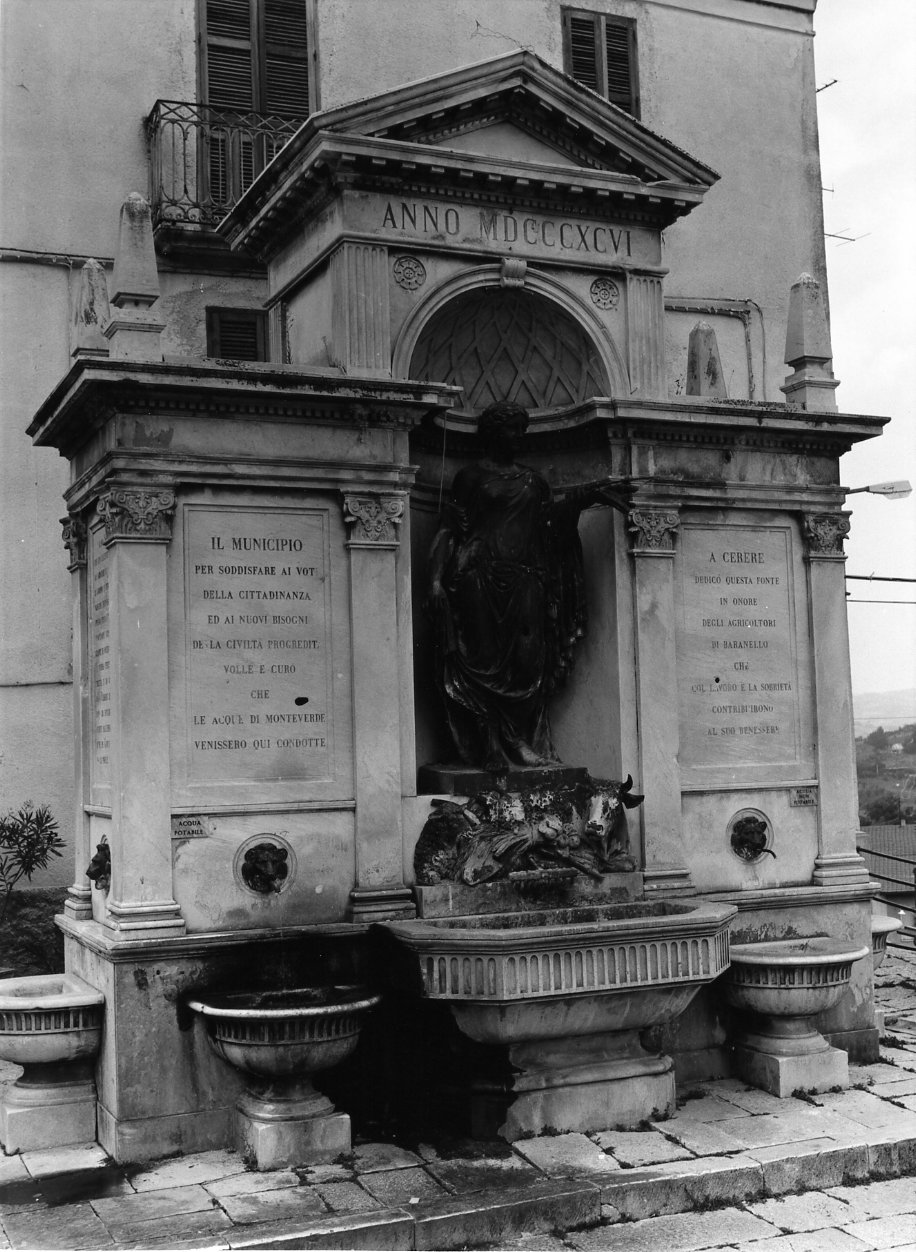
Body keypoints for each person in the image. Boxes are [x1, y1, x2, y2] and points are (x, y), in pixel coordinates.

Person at [427, 401, 627, 770]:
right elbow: (449, 530)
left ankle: (517, 741)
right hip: (477, 579)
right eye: (510, 429)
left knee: (528, 661)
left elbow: (551, 525)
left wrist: (590, 495)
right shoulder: (470, 478)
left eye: (521, 430)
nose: (517, 437)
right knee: (480, 660)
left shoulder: (534, 481)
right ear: (491, 434)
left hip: (526, 580)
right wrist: (437, 579)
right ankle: (490, 745)